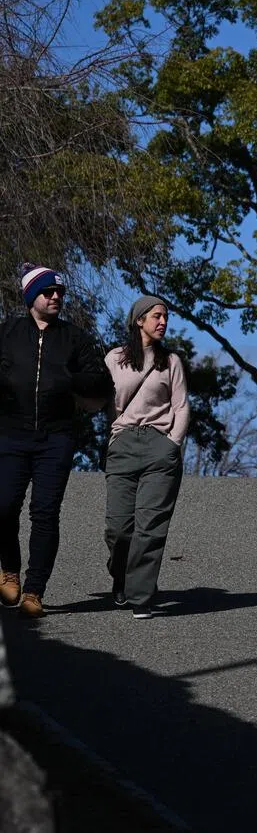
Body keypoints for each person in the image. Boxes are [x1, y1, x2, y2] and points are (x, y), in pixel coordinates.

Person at [0, 264, 113, 617]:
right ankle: (10, 569)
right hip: (11, 434)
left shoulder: (75, 337)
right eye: (48, 292)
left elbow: (100, 382)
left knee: (45, 513)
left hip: (56, 438)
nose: (55, 298)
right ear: (32, 296)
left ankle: (34, 591)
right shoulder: (7, 332)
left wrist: (69, 378)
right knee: (3, 507)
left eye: (60, 293)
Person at [104, 295, 190, 619]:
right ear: (139, 320)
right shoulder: (114, 358)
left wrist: (173, 443)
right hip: (123, 443)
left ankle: (141, 596)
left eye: (166, 317)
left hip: (159, 444)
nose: (163, 322)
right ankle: (122, 578)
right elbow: (104, 401)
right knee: (118, 528)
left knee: (150, 526)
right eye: (156, 316)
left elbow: (181, 406)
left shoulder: (172, 363)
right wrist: (113, 437)